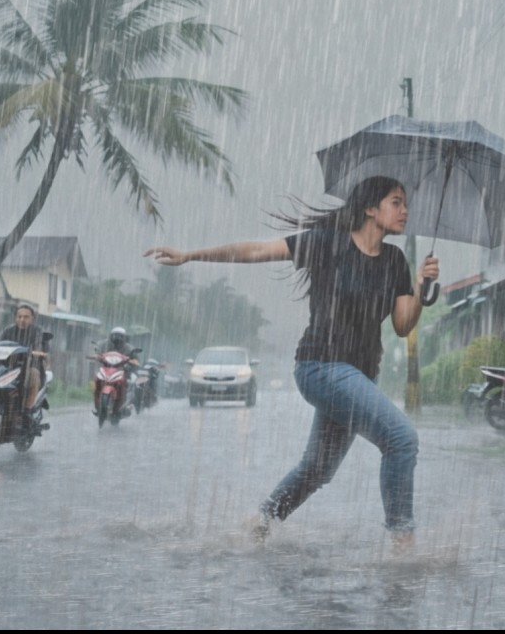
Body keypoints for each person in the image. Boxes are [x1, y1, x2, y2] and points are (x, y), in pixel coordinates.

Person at [144, 176, 439, 552]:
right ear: (370, 208)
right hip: (320, 366)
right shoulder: (327, 244)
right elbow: (256, 251)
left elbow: (402, 324)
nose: (405, 211)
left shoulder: (395, 261)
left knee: (317, 470)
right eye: (396, 202)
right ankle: (403, 542)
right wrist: (191, 254)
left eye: (405, 203)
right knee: (401, 439)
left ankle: (259, 524)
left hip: (360, 375)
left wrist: (423, 289)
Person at [0, 304, 50, 411]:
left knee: (34, 375)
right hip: (9, 368)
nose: (22, 319)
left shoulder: (38, 332)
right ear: (15, 318)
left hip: (29, 367)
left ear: (32, 318)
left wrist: (37, 352)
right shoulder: (8, 331)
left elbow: (42, 349)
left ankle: (27, 410)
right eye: (19, 316)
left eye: (26, 317)